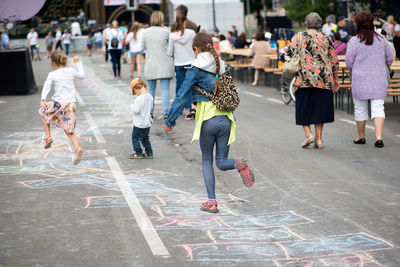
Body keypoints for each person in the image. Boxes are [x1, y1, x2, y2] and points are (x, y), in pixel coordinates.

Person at [163, 32, 255, 213]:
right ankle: (237, 162)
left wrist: (170, 121)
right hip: (226, 119)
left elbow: (182, 95)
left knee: (207, 159)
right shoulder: (223, 66)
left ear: (196, 50)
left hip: (208, 120)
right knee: (221, 162)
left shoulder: (196, 68)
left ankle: (212, 202)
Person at [287, 12, 339, 149]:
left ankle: (308, 134)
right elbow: (334, 60)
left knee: (304, 108)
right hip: (324, 79)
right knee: (320, 109)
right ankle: (319, 139)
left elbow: (289, 53)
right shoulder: (326, 38)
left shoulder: (298, 37)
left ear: (306, 23)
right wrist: (336, 79)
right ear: (319, 24)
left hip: (304, 79)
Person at [346, 10, 394, 148]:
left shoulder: (354, 41)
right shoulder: (382, 40)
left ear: (358, 24)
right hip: (379, 79)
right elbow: (390, 59)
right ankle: (379, 138)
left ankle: (361, 137)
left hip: (360, 80)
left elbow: (349, 63)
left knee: (360, 108)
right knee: (378, 108)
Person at [38, 51, 85, 165]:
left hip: (58, 104)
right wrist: (78, 63)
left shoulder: (52, 74)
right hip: (71, 105)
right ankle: (77, 147)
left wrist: (43, 99)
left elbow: (46, 87)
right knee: (68, 128)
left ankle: (48, 137)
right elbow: (82, 75)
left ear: (53, 63)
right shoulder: (71, 71)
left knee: (43, 113)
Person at [141, 11, 174, 118]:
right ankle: (166, 112)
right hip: (164, 63)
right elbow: (170, 49)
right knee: (165, 89)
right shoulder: (166, 32)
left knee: (150, 89)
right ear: (161, 19)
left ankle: (150, 112)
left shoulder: (145, 32)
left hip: (151, 64)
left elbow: (142, 48)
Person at [167, 13, 196, 120]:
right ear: (185, 22)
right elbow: (195, 46)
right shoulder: (191, 33)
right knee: (191, 85)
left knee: (182, 87)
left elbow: (169, 52)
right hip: (191, 62)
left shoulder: (172, 36)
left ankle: (186, 110)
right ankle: (191, 107)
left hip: (179, 64)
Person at [129, 78, 154, 159]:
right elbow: (151, 108)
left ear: (136, 88)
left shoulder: (139, 99)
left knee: (135, 138)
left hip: (139, 124)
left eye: (135, 92)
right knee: (145, 138)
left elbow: (136, 110)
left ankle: (138, 153)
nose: (135, 94)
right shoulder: (150, 96)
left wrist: (131, 107)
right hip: (147, 123)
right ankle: (149, 153)